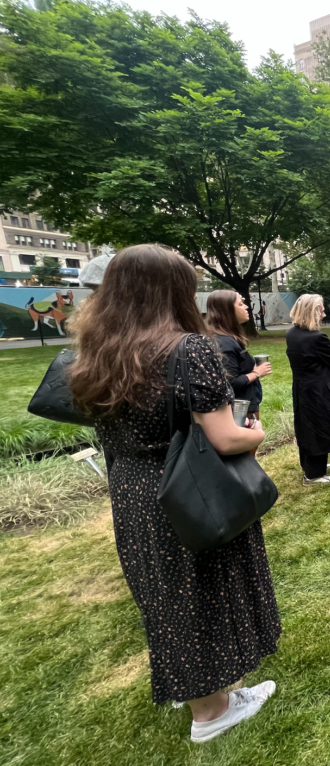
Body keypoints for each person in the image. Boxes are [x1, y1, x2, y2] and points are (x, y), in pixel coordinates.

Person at [68, 245, 279, 743]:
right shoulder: (189, 349)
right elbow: (225, 436)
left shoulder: (99, 350)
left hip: (133, 489)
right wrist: (257, 433)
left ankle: (212, 693)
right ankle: (210, 713)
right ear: (172, 291)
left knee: (168, 595)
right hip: (188, 484)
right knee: (202, 589)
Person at [286, 294, 330, 485]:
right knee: (320, 426)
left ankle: (312, 465)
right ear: (312, 312)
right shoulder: (317, 337)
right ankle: (313, 474)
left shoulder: (292, 333)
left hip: (302, 386)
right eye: (320, 309)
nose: (324, 313)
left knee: (307, 426)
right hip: (319, 388)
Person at [205, 290, 272, 426]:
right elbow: (230, 382)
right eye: (241, 304)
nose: (246, 306)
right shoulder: (224, 343)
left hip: (241, 407)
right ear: (227, 310)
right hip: (240, 410)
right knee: (248, 447)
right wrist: (257, 373)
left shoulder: (223, 337)